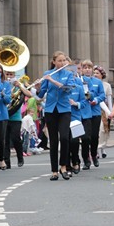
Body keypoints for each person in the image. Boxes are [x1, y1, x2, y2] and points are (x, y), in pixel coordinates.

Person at [39, 51, 76, 181]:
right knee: (53, 141)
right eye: (59, 61)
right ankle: (54, 170)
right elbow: (41, 94)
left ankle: (64, 166)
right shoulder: (47, 74)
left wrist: (52, 81)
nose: (62, 63)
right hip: (50, 109)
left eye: (63, 60)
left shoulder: (69, 74)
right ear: (54, 62)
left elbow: (68, 89)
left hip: (64, 109)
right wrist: (38, 86)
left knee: (65, 138)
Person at [94, 66, 113, 158]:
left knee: (104, 130)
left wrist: (110, 111)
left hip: (104, 111)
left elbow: (109, 100)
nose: (95, 75)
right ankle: (97, 149)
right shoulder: (91, 84)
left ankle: (103, 148)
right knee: (98, 130)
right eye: (94, 73)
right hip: (95, 109)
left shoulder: (107, 86)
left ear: (102, 75)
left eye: (97, 73)